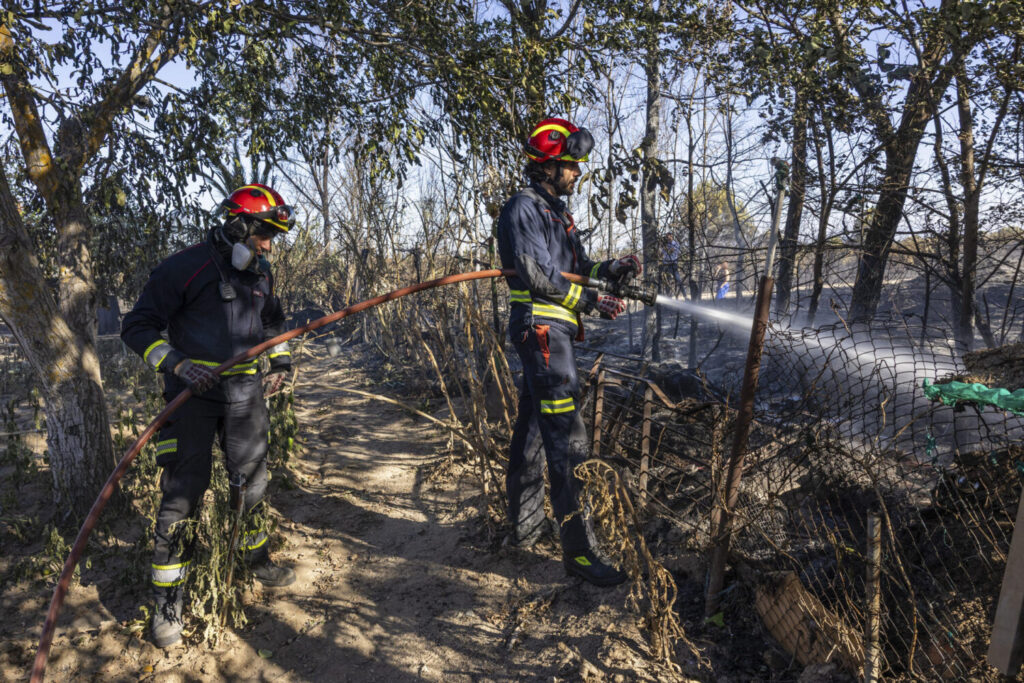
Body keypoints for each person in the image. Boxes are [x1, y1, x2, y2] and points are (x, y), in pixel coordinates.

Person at [121, 183, 297, 648]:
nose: (268, 245)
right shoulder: (183, 268)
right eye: (264, 234)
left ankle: (253, 561)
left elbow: (274, 322)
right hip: (191, 400)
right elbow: (136, 327)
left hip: (245, 395)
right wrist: (177, 363)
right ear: (238, 226)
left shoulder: (261, 274)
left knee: (252, 482)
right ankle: (167, 605)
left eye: (273, 237)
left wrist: (279, 360)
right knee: (181, 499)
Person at [497, 117, 642, 587]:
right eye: (572, 166)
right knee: (569, 442)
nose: (578, 173)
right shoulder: (522, 208)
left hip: (554, 335)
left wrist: (611, 269)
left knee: (535, 432)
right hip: (542, 335)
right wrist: (592, 301)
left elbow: (575, 268)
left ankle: (523, 530)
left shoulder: (555, 212)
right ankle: (580, 554)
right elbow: (538, 276)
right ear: (549, 165)